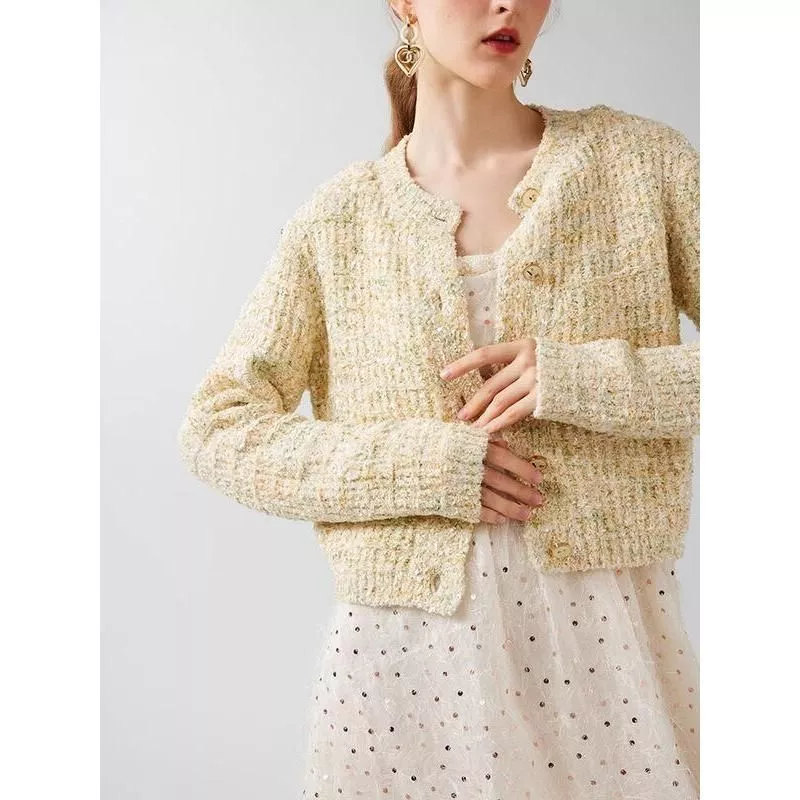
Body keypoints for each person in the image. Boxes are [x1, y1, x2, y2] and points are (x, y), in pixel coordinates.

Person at [177, 1, 700, 797]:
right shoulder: (340, 220)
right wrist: (423, 466)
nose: (507, 3)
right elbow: (217, 429)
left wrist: (583, 379)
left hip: (607, 653)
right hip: (406, 668)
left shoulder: (641, 165)